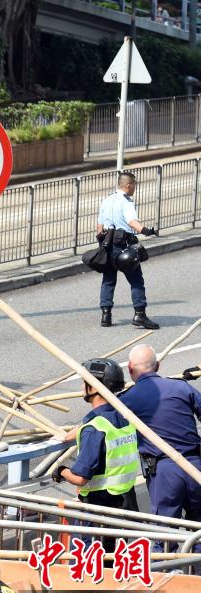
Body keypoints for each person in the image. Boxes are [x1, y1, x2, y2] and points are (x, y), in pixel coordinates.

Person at [52, 358, 140, 549]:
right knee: (115, 565)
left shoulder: (94, 429)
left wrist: (62, 471)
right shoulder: (126, 419)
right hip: (124, 508)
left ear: (93, 388)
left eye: (85, 382)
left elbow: (80, 478)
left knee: (91, 567)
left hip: (98, 513)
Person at [120, 344, 201, 528]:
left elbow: (106, 420)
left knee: (164, 534)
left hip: (164, 472)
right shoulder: (181, 387)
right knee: (199, 528)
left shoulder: (128, 399)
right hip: (195, 465)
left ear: (130, 369)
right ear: (158, 366)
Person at [97, 172, 160, 329]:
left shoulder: (106, 200)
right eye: (134, 186)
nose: (134, 189)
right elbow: (132, 222)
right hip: (122, 247)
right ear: (128, 185)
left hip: (107, 246)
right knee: (136, 280)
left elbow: (99, 229)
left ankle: (106, 315)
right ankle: (140, 314)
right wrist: (147, 231)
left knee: (108, 280)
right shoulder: (126, 202)